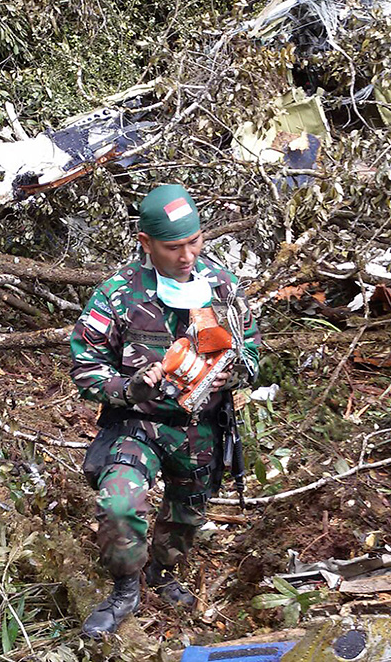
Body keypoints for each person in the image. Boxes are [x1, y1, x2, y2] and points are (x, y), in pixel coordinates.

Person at [70, 184, 260, 638]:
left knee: (187, 513)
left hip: (201, 427)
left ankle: (164, 571)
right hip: (138, 423)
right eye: (174, 247)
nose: (188, 256)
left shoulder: (222, 287)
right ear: (146, 243)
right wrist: (127, 387)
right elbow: (84, 366)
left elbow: (253, 353)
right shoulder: (118, 294)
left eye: (195, 242)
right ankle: (124, 589)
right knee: (119, 502)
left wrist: (229, 369)